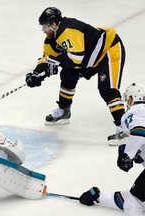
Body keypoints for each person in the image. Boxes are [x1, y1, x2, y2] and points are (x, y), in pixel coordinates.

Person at [25, 7, 126, 145]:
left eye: (45, 26)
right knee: (67, 74)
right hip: (89, 58)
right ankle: (64, 110)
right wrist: (36, 74)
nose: (43, 30)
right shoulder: (51, 39)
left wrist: (55, 63)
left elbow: (77, 58)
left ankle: (124, 129)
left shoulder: (68, 30)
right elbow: (46, 59)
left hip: (107, 51)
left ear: (54, 24)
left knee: (107, 89)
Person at [79, 83, 145, 216]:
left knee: (134, 204)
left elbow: (139, 134)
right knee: (141, 200)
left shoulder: (133, 112)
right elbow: (130, 196)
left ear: (131, 99)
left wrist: (127, 155)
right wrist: (98, 197)